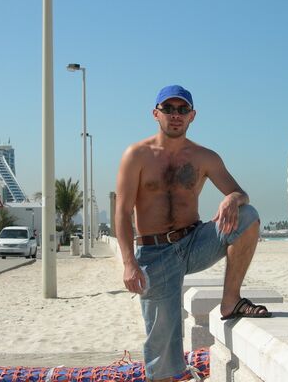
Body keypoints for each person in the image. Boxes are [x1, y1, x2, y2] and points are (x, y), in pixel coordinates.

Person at [115, 85, 271, 381]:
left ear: (192, 116)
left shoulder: (205, 157)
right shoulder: (136, 155)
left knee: (248, 216)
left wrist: (232, 199)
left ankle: (231, 301)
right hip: (154, 253)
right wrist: (128, 263)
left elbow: (241, 193)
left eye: (182, 109)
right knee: (162, 350)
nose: (176, 115)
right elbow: (122, 213)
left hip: (194, 242)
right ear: (155, 114)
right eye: (169, 109)